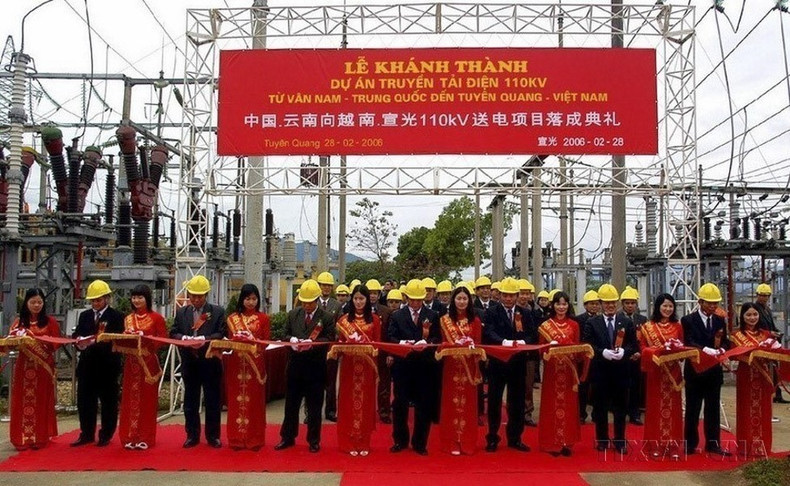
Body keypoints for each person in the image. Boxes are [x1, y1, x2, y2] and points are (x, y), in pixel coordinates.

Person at [275, 279, 336, 453]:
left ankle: (314, 439)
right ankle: (287, 437)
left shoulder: (326, 317)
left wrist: (313, 342)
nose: (307, 306)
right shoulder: (293, 314)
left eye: (310, 302)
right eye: (304, 302)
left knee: (315, 407)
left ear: (317, 300)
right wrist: (291, 340)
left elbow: (330, 338)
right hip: (295, 367)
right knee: (291, 405)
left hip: (315, 368)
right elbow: (285, 334)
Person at [170, 274, 226, 448]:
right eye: (193, 295)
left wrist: (205, 338)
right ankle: (192, 435)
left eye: (199, 296)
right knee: (190, 401)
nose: (195, 299)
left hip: (210, 362)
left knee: (212, 401)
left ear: (206, 295)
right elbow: (173, 332)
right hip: (190, 362)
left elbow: (222, 333)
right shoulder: (182, 312)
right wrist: (184, 337)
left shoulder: (217, 312)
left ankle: (213, 436)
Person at [482, 277, 536, 453]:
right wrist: (502, 342)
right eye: (505, 295)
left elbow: (531, 335)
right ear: (500, 295)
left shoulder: (525, 313)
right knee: (495, 402)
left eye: (512, 295)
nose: (508, 299)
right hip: (497, 363)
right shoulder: (491, 312)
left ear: (517, 296)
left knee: (517, 402)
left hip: (517, 363)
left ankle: (515, 438)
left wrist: (522, 342)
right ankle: (492, 437)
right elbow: (488, 332)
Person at [582, 284, 637, 454]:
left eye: (613, 303)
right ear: (600, 304)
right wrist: (602, 352)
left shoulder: (626, 322)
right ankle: (602, 440)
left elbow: (633, 344)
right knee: (601, 408)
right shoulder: (592, 323)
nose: (610, 306)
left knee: (620, 408)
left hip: (621, 371)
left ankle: (620, 440)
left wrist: (624, 352)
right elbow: (588, 344)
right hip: (601, 372)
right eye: (607, 303)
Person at [388, 279, 441, 455]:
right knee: (400, 404)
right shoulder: (397, 315)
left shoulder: (432, 315)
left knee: (423, 405)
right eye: (412, 299)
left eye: (419, 299)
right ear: (406, 298)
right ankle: (400, 440)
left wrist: (426, 342)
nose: (416, 303)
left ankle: (420, 443)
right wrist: (403, 342)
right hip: (403, 365)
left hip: (425, 367)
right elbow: (391, 337)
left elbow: (437, 338)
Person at [4, 289, 60, 450]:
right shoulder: (19, 323)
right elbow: (11, 343)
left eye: (39, 302)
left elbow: (56, 344)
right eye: (33, 302)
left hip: (43, 368)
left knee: (41, 401)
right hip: (23, 368)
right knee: (22, 401)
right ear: (26, 303)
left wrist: (40, 342)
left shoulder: (50, 322)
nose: (36, 305)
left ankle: (39, 437)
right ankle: (22, 438)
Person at [70, 280, 125, 447]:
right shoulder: (85, 316)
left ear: (106, 299)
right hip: (87, 365)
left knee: (108, 402)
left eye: (99, 300)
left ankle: (105, 434)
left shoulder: (116, 316)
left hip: (107, 366)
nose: (95, 303)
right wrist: (79, 342)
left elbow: (119, 339)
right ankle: (86, 433)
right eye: (93, 300)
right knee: (85, 401)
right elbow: (78, 334)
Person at [537, 291, 589, 456]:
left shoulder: (574, 325)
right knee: (551, 405)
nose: (561, 307)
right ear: (553, 305)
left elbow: (578, 347)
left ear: (568, 305)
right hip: (552, 371)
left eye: (564, 304)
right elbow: (540, 350)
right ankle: (552, 442)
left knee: (568, 405)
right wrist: (549, 348)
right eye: (558, 304)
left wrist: (580, 352)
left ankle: (567, 441)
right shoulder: (546, 325)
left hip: (569, 372)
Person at [682, 283, 731, 456]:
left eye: (715, 303)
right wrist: (704, 349)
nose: (713, 306)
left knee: (713, 410)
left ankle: (713, 443)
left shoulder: (719, 320)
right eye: (709, 303)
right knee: (693, 409)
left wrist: (723, 349)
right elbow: (688, 341)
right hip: (695, 371)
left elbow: (725, 340)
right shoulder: (688, 320)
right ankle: (689, 443)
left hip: (713, 372)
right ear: (700, 302)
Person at [333, 284, 381, 455]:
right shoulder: (344, 320)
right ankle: (349, 441)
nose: (359, 302)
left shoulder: (374, 320)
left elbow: (377, 345)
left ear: (367, 300)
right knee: (348, 402)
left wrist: (365, 345)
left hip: (367, 367)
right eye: (356, 298)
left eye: (362, 298)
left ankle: (363, 441)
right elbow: (339, 344)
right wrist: (347, 344)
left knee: (365, 403)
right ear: (351, 300)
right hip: (349, 367)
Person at [118, 284, 167, 449]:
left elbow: (162, 339)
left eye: (140, 297)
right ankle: (129, 437)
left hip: (147, 364)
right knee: (130, 400)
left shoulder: (156, 318)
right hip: (131, 365)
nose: (137, 300)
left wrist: (145, 339)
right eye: (134, 297)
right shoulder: (128, 319)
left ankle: (145, 437)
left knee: (147, 401)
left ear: (147, 299)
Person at [638, 294, 686, 458]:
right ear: (658, 307)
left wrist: (675, 349)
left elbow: (682, 347)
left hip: (673, 374)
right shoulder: (648, 326)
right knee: (654, 408)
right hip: (656, 373)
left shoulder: (677, 327)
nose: (667, 309)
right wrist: (658, 350)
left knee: (674, 409)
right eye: (664, 306)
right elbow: (643, 349)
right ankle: (655, 444)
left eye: (670, 306)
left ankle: (672, 446)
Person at [438, 286, 484, 455]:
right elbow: (441, 343)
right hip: (451, 367)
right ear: (453, 300)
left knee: (468, 405)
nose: (462, 302)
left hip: (469, 368)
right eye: (459, 298)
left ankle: (466, 441)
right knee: (451, 403)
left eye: (465, 299)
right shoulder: (444, 320)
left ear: (469, 301)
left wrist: (470, 345)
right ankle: (452, 441)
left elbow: (479, 345)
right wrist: (452, 344)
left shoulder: (475, 321)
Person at [731, 302, 782, 457]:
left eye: (755, 315)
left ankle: (763, 446)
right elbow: (733, 355)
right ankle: (745, 447)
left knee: (764, 411)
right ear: (743, 317)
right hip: (746, 376)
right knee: (746, 410)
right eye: (748, 315)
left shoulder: (766, 334)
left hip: (763, 376)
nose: (752, 318)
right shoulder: (736, 335)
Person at [223, 283, 270, 450]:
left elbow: (265, 343)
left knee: (255, 403)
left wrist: (252, 339)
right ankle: (236, 438)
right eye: (248, 299)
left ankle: (254, 439)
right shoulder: (232, 318)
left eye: (254, 299)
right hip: (237, 364)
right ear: (242, 299)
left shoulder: (263, 318)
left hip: (255, 365)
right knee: (236, 401)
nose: (251, 302)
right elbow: (228, 342)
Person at [754, 283, 789, 404]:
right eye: (762, 295)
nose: (764, 298)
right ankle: (771, 393)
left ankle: (776, 393)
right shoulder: (754, 309)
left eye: (766, 295)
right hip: (762, 344)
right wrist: (769, 333)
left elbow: (771, 325)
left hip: (771, 343)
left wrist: (776, 333)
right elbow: (755, 328)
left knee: (774, 369)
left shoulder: (767, 310)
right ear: (757, 295)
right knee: (767, 370)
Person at [316, 271, 341, 422]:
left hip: (331, 348)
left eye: (329, 286)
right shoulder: (311, 302)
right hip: (313, 348)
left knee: (330, 381)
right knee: (313, 380)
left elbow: (340, 326)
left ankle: (330, 411)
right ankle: (310, 412)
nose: (326, 288)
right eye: (323, 285)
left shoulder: (337, 305)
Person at [367, 279, 393, 424]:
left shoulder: (386, 311)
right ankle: (365, 410)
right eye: (370, 293)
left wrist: (390, 353)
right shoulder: (359, 310)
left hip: (382, 352)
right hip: (365, 353)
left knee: (384, 384)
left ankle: (384, 412)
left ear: (379, 294)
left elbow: (389, 334)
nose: (372, 296)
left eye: (375, 293)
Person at [620, 286, 647, 426]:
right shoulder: (618, 318)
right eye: (627, 303)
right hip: (622, 359)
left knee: (637, 386)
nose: (630, 306)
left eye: (633, 303)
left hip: (638, 358)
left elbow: (645, 339)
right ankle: (621, 411)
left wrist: (639, 353)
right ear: (622, 304)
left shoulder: (642, 319)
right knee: (623, 387)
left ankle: (634, 413)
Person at [575, 290, 600, 424]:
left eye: (596, 304)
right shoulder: (578, 320)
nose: (594, 306)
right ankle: (581, 414)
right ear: (585, 305)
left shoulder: (602, 319)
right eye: (591, 304)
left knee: (597, 388)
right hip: (583, 359)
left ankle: (596, 414)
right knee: (583, 387)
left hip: (598, 358)